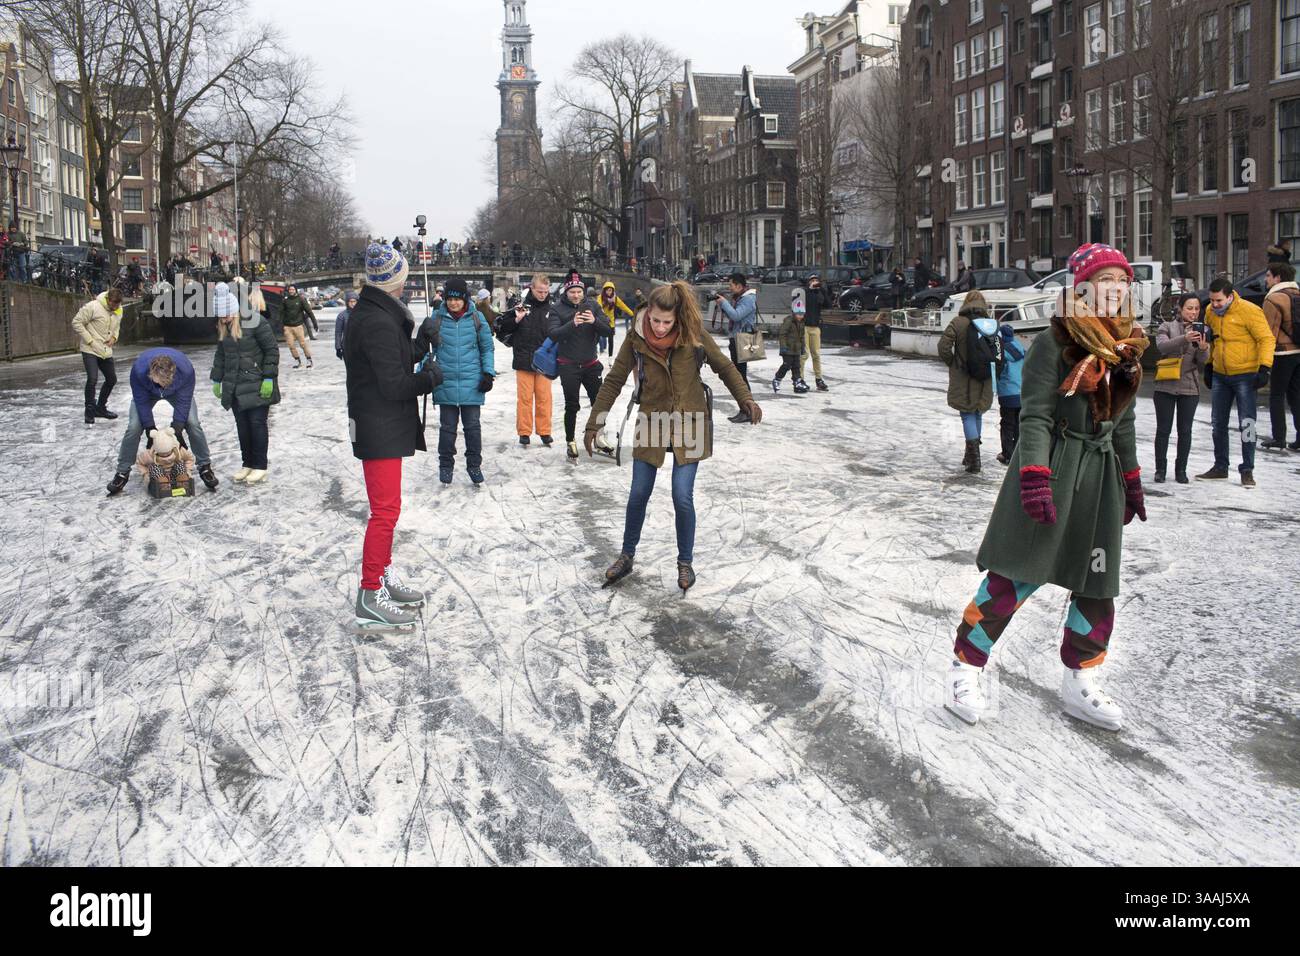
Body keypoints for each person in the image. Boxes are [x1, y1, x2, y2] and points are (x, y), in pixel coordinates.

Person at [944, 242, 1148, 732]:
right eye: (1105, 281)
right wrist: (1034, 475)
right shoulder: (1053, 345)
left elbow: (1123, 420)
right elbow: (1034, 416)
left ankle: (1081, 679)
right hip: (1054, 469)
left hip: (1100, 478)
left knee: (1096, 585)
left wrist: (1132, 475)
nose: (1115, 289)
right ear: (1081, 289)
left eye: (1122, 281)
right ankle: (965, 667)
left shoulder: (1127, 347)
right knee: (1014, 573)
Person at [584, 281, 762, 594]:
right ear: (647, 313)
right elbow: (613, 381)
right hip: (652, 418)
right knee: (639, 491)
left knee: (682, 495)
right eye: (656, 320)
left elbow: (725, 366)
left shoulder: (693, 333)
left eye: (667, 322)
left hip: (690, 419)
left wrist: (745, 398)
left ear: (677, 316)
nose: (661, 327)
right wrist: (594, 423)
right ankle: (627, 556)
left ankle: (685, 562)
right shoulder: (637, 337)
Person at [343, 242, 443, 633]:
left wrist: (420, 343)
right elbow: (394, 383)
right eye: (401, 279)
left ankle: (382, 577)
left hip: (380, 423)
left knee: (389, 509)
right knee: (385, 513)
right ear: (394, 281)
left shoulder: (377, 315)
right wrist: (429, 378)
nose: (405, 285)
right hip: (378, 423)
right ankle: (370, 593)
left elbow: (391, 361)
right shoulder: (376, 321)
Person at [415, 277, 495, 485]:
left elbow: (487, 348)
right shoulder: (436, 319)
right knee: (447, 427)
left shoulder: (476, 318)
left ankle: (474, 465)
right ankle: (445, 465)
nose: (453, 303)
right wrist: (422, 370)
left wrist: (488, 373)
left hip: (472, 380)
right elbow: (427, 349)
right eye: (450, 299)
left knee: (472, 427)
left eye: (458, 299)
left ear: (465, 299)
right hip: (445, 380)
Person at [106, 348, 219, 495]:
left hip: (177, 391)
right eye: (161, 382)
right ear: (151, 374)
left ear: (173, 372)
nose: (163, 386)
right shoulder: (139, 371)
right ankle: (122, 472)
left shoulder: (185, 371)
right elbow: (141, 401)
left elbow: (184, 401)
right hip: (147, 393)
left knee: (193, 423)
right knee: (133, 427)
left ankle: (205, 466)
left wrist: (177, 428)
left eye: (167, 382)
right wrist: (149, 428)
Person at [1196, 277, 1274, 487]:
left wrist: (1264, 367)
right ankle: (1220, 466)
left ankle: (1247, 469)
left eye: (1219, 300)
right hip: (1221, 375)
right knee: (1218, 423)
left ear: (1230, 296)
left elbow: (1266, 339)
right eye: (1212, 300)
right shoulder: (1212, 313)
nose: (1214, 305)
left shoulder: (1249, 311)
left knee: (1247, 423)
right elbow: (1215, 340)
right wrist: (1210, 365)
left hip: (1246, 375)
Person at [210, 281, 280, 483]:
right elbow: (221, 355)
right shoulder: (225, 327)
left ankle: (260, 466)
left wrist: (268, 377)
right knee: (242, 426)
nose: (223, 319)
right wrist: (217, 378)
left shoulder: (256, 322)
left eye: (226, 314)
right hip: (235, 386)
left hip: (257, 382)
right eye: (220, 316)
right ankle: (247, 463)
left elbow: (272, 350)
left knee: (257, 424)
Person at [547, 271, 612, 459]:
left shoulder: (593, 305)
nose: (576, 295)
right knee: (572, 405)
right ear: (566, 292)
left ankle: (599, 437)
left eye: (579, 292)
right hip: (568, 365)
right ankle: (571, 441)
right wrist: (572, 323)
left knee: (598, 403)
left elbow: (608, 331)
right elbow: (552, 334)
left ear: (583, 292)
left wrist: (595, 321)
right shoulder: (557, 309)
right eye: (572, 292)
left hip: (591, 363)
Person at [1152, 293, 1210, 482]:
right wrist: (1184, 338)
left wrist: (1203, 348)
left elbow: (1202, 362)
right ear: (1180, 308)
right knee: (1163, 429)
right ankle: (1160, 469)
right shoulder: (1166, 326)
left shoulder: (1203, 329)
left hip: (1189, 387)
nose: (1193, 312)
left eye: (1196, 309)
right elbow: (1162, 347)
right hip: (1165, 386)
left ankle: (1181, 470)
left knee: (1185, 430)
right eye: (1189, 308)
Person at [938, 289, 997, 473]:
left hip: (963, 375)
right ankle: (971, 455)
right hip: (985, 376)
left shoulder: (958, 322)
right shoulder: (991, 324)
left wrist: (954, 363)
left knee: (967, 414)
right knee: (977, 412)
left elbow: (943, 347)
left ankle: (974, 458)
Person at [496, 273, 556, 447]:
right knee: (525, 398)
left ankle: (545, 431)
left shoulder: (552, 309)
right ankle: (524, 432)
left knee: (545, 398)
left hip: (544, 361)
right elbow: (502, 328)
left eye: (545, 291)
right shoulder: (520, 306)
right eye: (540, 291)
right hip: (523, 359)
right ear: (532, 288)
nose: (543, 294)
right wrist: (516, 319)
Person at [1260, 262, 1300, 452]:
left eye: (1268, 275)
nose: (1266, 279)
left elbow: (1269, 332)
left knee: (1276, 395)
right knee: (1296, 396)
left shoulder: (1273, 299)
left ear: (1277, 278)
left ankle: (1278, 438)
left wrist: (1263, 359)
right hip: (1299, 351)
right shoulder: (1297, 294)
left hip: (1282, 353)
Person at [72, 288, 123, 425]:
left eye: (117, 305)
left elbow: (117, 325)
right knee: (92, 379)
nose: (115, 307)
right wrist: (90, 340)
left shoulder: (119, 309)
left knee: (111, 379)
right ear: (108, 300)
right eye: (113, 305)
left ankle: (100, 408)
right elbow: (76, 322)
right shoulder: (93, 307)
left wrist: (114, 337)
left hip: (106, 350)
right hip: (90, 349)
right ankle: (89, 410)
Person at [715, 271, 757, 403]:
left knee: (740, 376)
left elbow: (736, 316)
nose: (730, 288)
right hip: (737, 338)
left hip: (743, 339)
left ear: (739, 286)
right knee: (739, 375)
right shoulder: (740, 299)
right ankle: (746, 407)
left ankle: (748, 407)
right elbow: (734, 317)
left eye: (731, 285)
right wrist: (722, 306)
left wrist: (724, 303)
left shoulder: (748, 299)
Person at [994, 324, 1025, 465]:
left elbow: (997, 371)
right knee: (1019, 424)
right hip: (1022, 394)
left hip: (1007, 394)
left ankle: (1007, 454)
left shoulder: (1000, 352)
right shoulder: (1021, 348)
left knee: (1007, 424)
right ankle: (1017, 454)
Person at [799, 273, 831, 391]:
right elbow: (798, 304)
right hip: (804, 327)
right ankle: (800, 379)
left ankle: (819, 379)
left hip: (815, 327)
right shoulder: (804, 292)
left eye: (816, 280)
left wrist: (822, 289)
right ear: (808, 282)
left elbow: (828, 305)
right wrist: (809, 290)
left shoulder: (820, 293)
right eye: (812, 280)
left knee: (816, 354)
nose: (814, 282)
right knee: (804, 354)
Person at [773, 294, 809, 394]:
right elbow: (782, 334)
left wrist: (802, 347)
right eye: (799, 314)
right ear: (794, 313)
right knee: (787, 365)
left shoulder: (801, 323)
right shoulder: (789, 321)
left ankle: (797, 382)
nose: (800, 316)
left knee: (797, 366)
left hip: (796, 349)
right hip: (788, 349)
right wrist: (783, 346)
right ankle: (777, 379)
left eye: (802, 314)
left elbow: (802, 336)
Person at [280, 285, 315, 368]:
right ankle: (297, 360)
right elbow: (280, 312)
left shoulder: (301, 299)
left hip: (298, 326)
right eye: (290, 289)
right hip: (287, 327)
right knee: (290, 345)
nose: (291, 291)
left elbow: (309, 311)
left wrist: (314, 322)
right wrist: (280, 324)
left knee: (302, 344)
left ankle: (309, 359)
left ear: (295, 290)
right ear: (288, 291)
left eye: (293, 289)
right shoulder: (285, 300)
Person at [597, 281, 636, 352]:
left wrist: (633, 314)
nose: (609, 292)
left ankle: (609, 354)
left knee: (610, 338)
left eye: (610, 290)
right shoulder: (600, 297)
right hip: (602, 320)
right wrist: (603, 315)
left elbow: (624, 307)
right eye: (607, 290)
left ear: (613, 291)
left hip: (611, 321)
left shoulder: (615, 298)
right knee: (602, 335)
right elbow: (599, 307)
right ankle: (602, 349)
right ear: (604, 290)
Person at [335, 289, 359, 359]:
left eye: (354, 301)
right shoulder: (341, 316)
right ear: (347, 302)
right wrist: (338, 348)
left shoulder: (361, 314)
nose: (353, 304)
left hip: (360, 346)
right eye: (350, 302)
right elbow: (338, 333)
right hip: (347, 346)